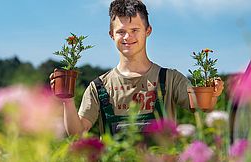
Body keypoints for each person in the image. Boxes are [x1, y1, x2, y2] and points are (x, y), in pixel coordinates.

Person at [50, 0, 224, 136]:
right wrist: (67, 100)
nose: (128, 37)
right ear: (111, 35)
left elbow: (203, 106)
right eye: (121, 31)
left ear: (148, 31)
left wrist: (213, 93)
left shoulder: (170, 79)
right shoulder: (99, 86)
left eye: (135, 30)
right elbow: (78, 132)